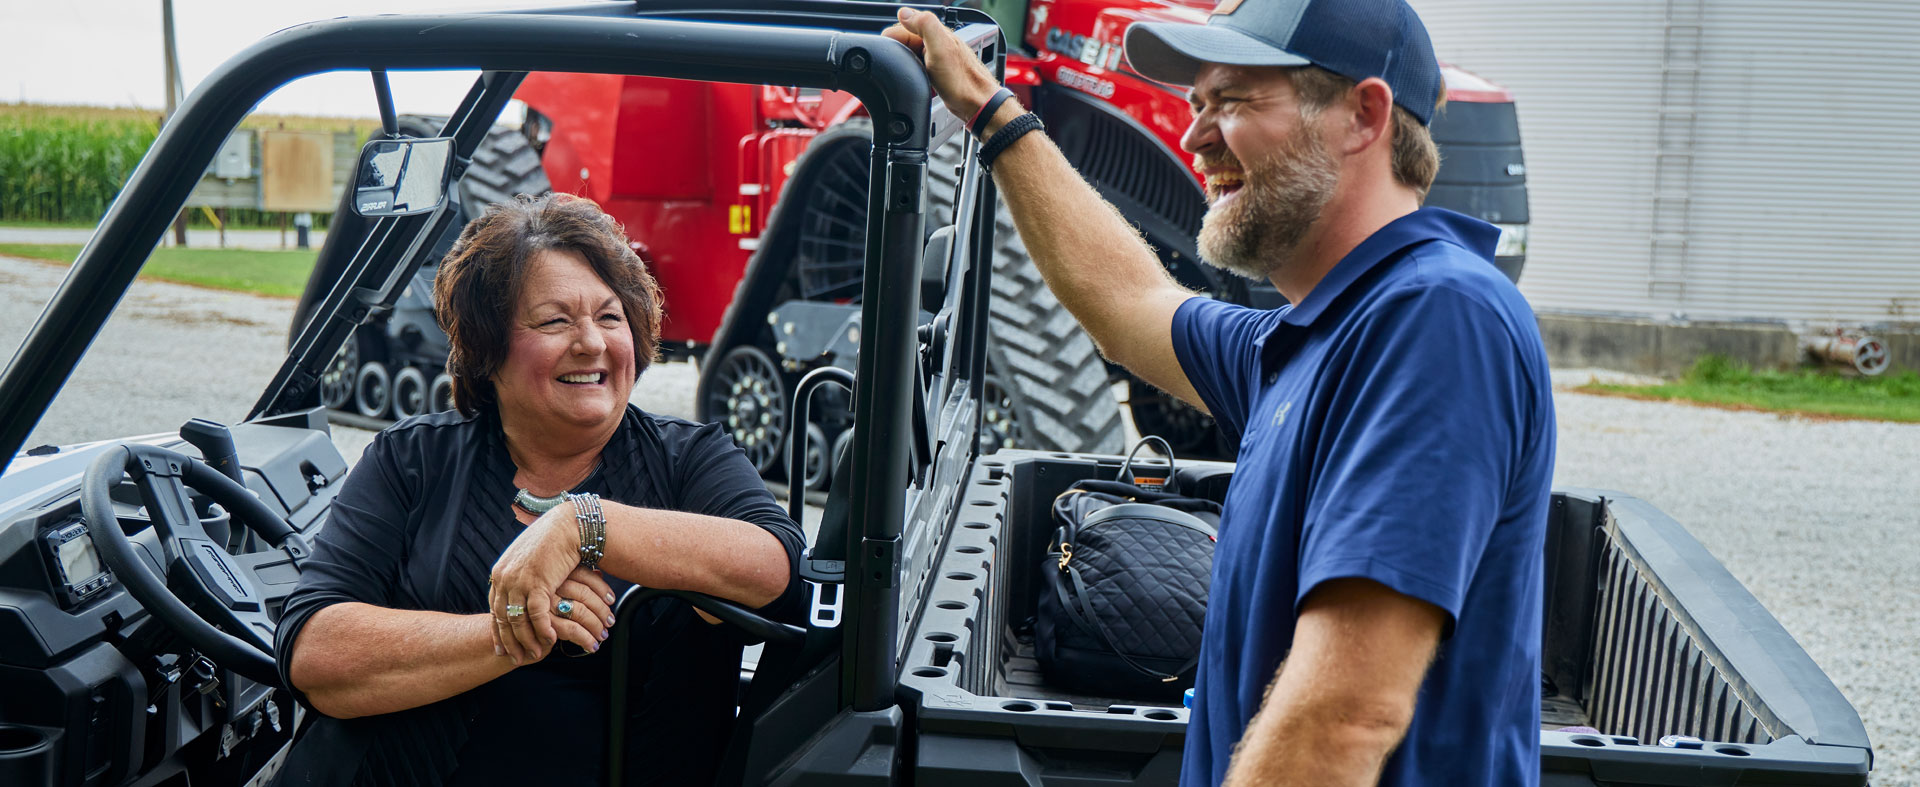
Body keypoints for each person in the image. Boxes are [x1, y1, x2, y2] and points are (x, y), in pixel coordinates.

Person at [887, 1, 1555, 784]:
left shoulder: (1436, 320)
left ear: (1363, 115)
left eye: (1233, 101)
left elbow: (1345, 716)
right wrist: (993, 113)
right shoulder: (1313, 336)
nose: (1194, 136)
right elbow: (1129, 304)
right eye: (1197, 104)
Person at [272, 194, 804, 786]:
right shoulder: (412, 459)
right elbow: (314, 655)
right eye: (555, 320)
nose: (592, 343)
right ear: (486, 348)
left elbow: (778, 569)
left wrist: (584, 526)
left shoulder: (690, 460)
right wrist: (516, 629)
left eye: (610, 317)